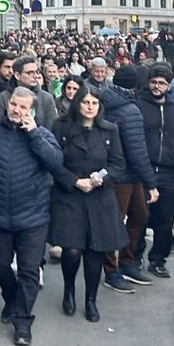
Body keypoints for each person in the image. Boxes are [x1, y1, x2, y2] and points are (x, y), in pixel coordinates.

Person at [0, 88, 63, 346]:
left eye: (23, 107)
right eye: (13, 104)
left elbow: (56, 163)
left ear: (31, 110)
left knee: (29, 270)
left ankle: (23, 321)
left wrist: (33, 134)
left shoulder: (42, 135)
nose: (16, 110)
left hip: (33, 217)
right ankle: (12, 298)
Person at [50, 84, 128, 323]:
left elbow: (118, 164)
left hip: (99, 197)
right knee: (72, 250)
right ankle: (69, 289)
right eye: (85, 102)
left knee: (95, 252)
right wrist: (74, 181)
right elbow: (53, 162)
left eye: (94, 103)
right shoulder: (61, 126)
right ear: (77, 103)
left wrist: (100, 178)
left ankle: (91, 300)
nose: (90, 107)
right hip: (70, 196)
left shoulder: (109, 130)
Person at [100, 65, 159, 292]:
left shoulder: (108, 100)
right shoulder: (130, 110)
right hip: (124, 175)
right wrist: (151, 183)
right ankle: (112, 269)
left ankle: (126, 261)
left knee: (139, 215)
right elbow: (137, 150)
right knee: (118, 222)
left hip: (123, 172)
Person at [135, 64, 174, 279]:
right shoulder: (139, 106)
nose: (157, 86)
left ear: (169, 85)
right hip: (144, 170)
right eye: (154, 82)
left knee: (165, 220)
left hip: (168, 171)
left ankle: (158, 259)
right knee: (140, 217)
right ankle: (135, 256)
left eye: (162, 83)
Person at [0, 56, 57, 130]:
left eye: (36, 72)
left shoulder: (46, 98)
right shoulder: (2, 98)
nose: (35, 76)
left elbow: (52, 129)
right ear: (17, 75)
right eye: (30, 73)